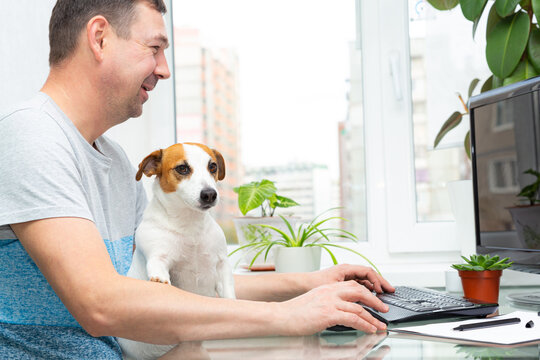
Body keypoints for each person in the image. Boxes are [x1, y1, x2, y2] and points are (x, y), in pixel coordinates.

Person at [0, 0, 395, 358]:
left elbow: (190, 280)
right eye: (154, 48)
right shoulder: (31, 135)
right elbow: (101, 304)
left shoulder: (115, 159)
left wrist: (307, 284)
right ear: (99, 38)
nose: (164, 70)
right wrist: (286, 316)